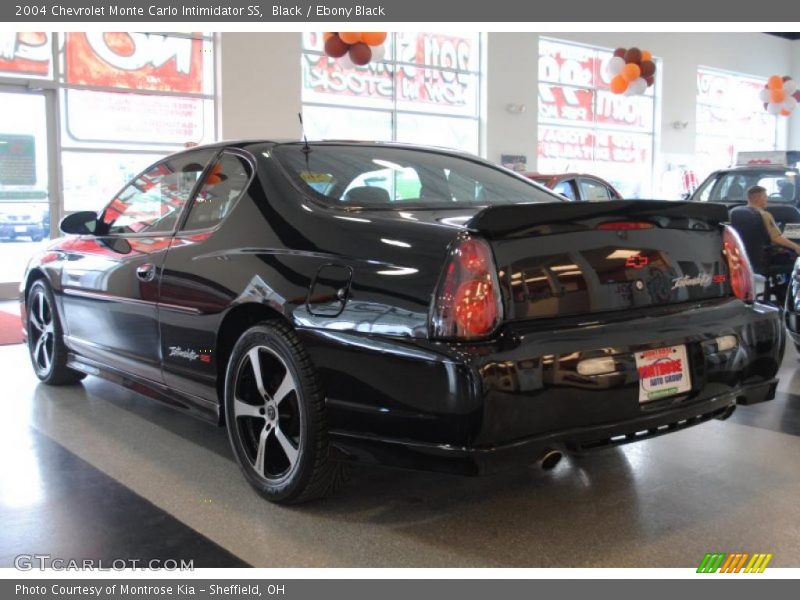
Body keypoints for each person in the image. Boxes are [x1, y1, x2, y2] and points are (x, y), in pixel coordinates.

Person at [746, 185, 800, 255]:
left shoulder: (740, 212)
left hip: (750, 252)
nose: (767, 199)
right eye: (765, 196)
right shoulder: (764, 214)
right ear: (756, 198)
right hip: (769, 253)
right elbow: (776, 238)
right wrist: (796, 247)